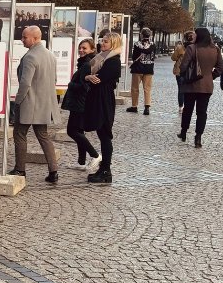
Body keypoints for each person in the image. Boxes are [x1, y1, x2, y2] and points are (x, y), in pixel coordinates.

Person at [8, 25, 59, 183]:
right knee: (43, 136)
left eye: (25, 37)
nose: (22, 40)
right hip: (44, 104)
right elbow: (54, 80)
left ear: (35, 38)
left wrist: (17, 101)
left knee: (19, 134)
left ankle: (20, 169)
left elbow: (25, 83)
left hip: (29, 104)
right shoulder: (50, 55)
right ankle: (53, 171)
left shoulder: (30, 57)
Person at [83, 32, 124, 184]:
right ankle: (104, 168)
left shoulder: (113, 61)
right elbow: (87, 74)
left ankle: (106, 170)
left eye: (106, 42)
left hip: (104, 100)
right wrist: (87, 77)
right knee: (102, 134)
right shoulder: (102, 58)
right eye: (102, 41)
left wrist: (88, 78)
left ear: (113, 44)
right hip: (98, 98)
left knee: (105, 134)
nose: (102, 44)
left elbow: (97, 79)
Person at [178, 27, 223, 148]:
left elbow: (183, 66)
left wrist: (184, 75)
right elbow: (220, 68)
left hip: (191, 84)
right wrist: (210, 76)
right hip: (207, 85)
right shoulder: (216, 50)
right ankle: (198, 138)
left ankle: (183, 132)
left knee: (188, 109)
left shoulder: (192, 48)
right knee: (202, 112)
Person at [61, 38, 101, 172]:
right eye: (80, 48)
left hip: (80, 103)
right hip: (80, 103)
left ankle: (95, 155)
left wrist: (70, 84)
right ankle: (81, 162)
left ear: (92, 50)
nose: (81, 50)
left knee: (71, 131)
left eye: (84, 48)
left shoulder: (87, 64)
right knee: (78, 131)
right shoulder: (86, 63)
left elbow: (85, 86)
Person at [126, 27, 156, 115]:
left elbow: (134, 57)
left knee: (135, 88)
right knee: (147, 88)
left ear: (141, 35)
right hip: (148, 68)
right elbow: (153, 55)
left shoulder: (137, 44)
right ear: (150, 35)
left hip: (138, 68)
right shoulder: (153, 45)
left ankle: (134, 106)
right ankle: (147, 107)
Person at [171, 30, 194, 114]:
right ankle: (188, 107)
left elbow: (173, 58)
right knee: (190, 89)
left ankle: (181, 107)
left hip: (180, 71)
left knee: (181, 89)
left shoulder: (180, 48)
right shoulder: (196, 48)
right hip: (192, 71)